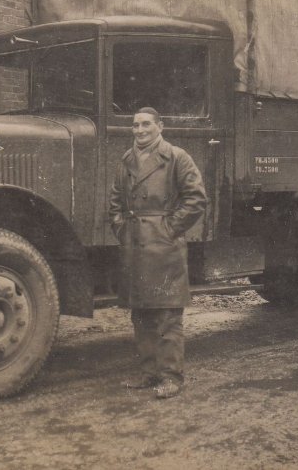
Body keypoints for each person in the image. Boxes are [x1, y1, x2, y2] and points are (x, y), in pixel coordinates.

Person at [109, 107, 207, 399]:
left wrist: (168, 229)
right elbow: (115, 200)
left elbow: (196, 199)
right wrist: (123, 229)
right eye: (135, 125)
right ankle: (149, 373)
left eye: (146, 124)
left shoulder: (177, 157)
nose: (140, 130)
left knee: (167, 315)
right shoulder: (127, 159)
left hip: (163, 247)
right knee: (141, 314)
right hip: (135, 245)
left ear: (160, 126)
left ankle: (171, 377)